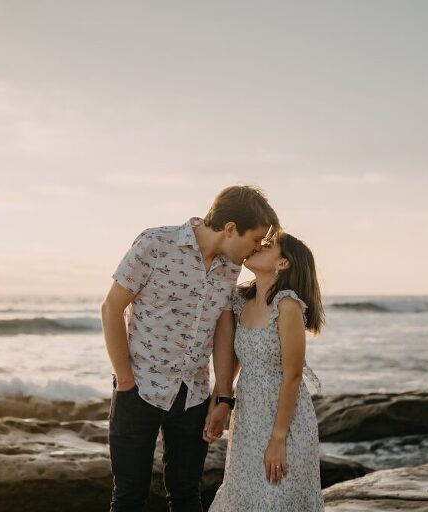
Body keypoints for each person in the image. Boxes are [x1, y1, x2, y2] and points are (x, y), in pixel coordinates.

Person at [101, 185, 280, 512]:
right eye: (255, 239)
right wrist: (125, 381)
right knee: (128, 498)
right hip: (138, 389)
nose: (257, 248)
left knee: (187, 497)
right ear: (229, 229)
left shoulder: (230, 264)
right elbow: (111, 309)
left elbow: (223, 329)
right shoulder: (155, 244)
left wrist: (223, 395)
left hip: (193, 394)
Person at [206, 231, 325, 511]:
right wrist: (219, 400)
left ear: (282, 264)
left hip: (285, 423)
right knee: (243, 497)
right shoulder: (241, 301)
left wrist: (278, 439)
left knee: (277, 499)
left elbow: (293, 374)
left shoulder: (287, 305)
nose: (259, 246)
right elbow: (236, 358)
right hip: (248, 418)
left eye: (269, 246)